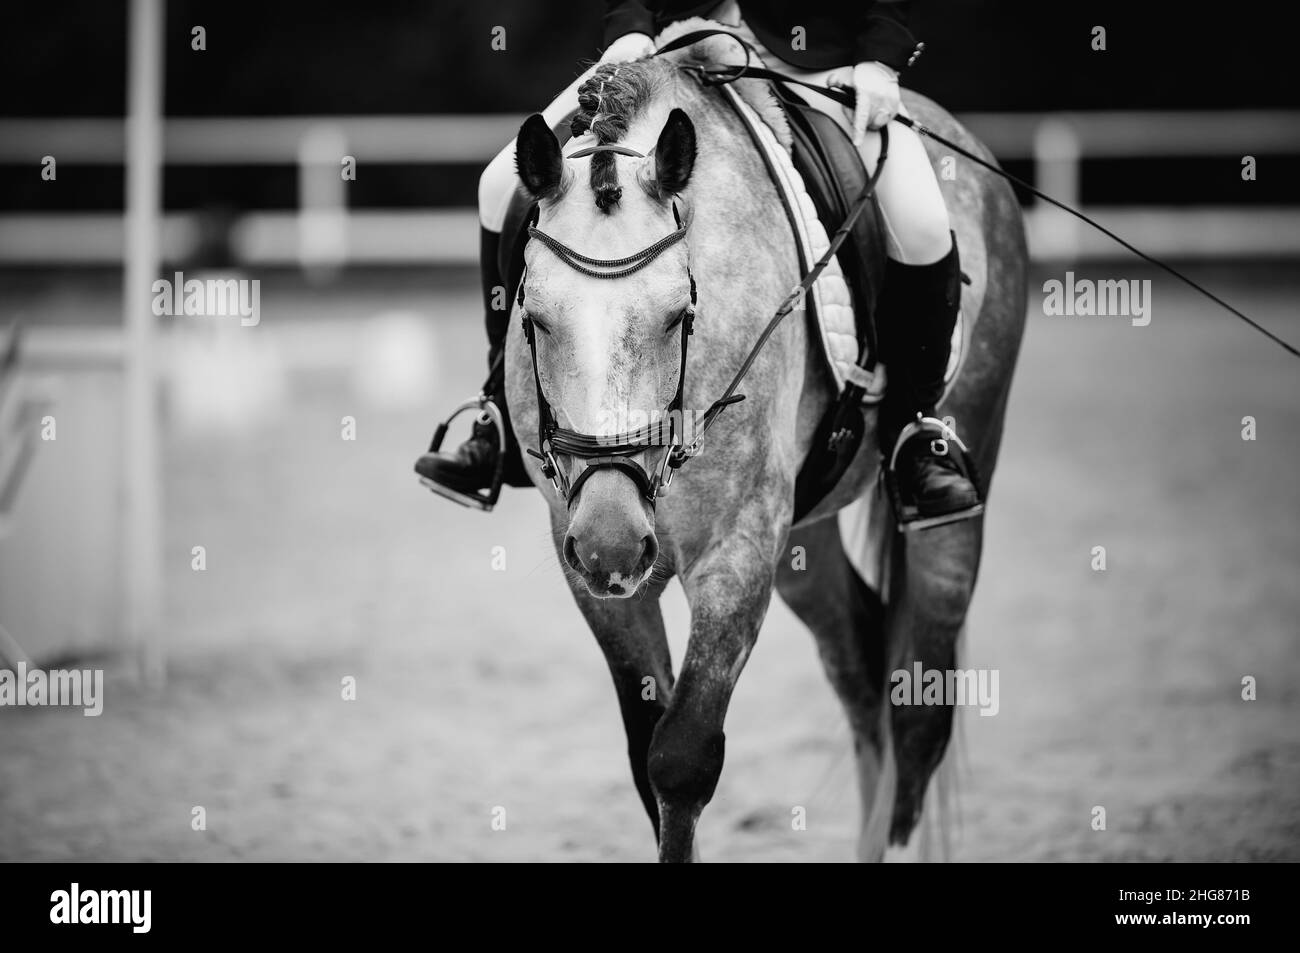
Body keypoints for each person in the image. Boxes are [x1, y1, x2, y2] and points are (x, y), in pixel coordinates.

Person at [415, 0, 979, 522]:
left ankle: (914, 432)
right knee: (498, 185)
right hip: (664, 49)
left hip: (815, 64)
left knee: (923, 224)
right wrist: (630, 24)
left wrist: (881, 56)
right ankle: (499, 419)